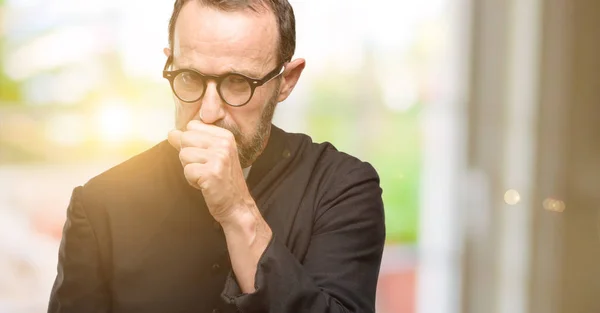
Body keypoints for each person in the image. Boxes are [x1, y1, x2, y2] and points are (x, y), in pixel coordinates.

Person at [47, 0, 386, 312]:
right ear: (170, 62)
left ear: (287, 81)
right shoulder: (99, 204)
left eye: (238, 82)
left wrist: (237, 210)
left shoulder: (343, 188)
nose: (208, 113)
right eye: (190, 77)